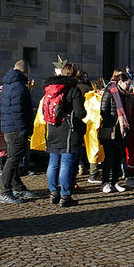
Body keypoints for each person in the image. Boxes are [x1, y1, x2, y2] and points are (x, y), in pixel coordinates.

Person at [43, 62, 86, 207]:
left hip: (52, 128)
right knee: (66, 163)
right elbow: (80, 112)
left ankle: (53, 193)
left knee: (53, 163)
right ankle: (65, 196)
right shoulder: (73, 89)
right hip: (68, 129)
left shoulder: (50, 88)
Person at [0, 59, 35, 204]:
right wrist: (23, 129)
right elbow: (18, 111)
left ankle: (17, 186)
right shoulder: (19, 86)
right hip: (15, 128)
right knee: (13, 160)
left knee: (13, 159)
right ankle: (5, 191)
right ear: (26, 72)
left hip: (10, 127)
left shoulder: (9, 84)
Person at [100, 71, 133, 193]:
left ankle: (115, 181)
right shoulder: (110, 91)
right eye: (127, 84)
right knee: (109, 158)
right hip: (111, 130)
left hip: (123, 131)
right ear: (120, 82)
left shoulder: (126, 95)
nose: (128, 86)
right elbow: (103, 110)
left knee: (118, 158)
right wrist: (115, 121)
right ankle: (105, 182)